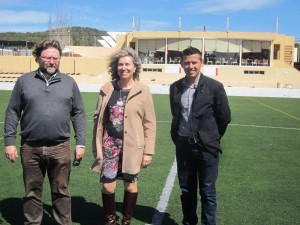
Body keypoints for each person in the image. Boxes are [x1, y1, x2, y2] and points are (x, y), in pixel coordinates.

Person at [4, 40, 86, 225]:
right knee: (32, 191)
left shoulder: (69, 83)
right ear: (38, 58)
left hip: (60, 147)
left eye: (55, 58)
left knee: (61, 191)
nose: (52, 61)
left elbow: (79, 113)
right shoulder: (24, 81)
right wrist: (9, 141)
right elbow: (12, 111)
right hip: (30, 147)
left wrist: (80, 142)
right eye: (47, 57)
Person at [91, 48, 156, 225]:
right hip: (109, 145)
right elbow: (98, 120)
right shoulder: (106, 89)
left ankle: (126, 221)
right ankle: (110, 221)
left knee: (131, 185)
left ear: (135, 67)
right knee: (107, 186)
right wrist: (95, 146)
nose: (124, 68)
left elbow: (149, 123)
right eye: (120, 64)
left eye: (127, 64)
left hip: (133, 147)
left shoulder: (143, 90)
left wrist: (148, 152)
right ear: (115, 67)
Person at [169, 46, 231, 225]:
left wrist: (211, 137)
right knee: (187, 190)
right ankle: (189, 222)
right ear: (181, 64)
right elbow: (176, 115)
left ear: (201, 63)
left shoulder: (215, 87)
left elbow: (224, 117)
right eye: (187, 63)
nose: (191, 66)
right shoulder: (175, 88)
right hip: (183, 146)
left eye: (194, 62)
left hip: (206, 148)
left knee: (208, 191)